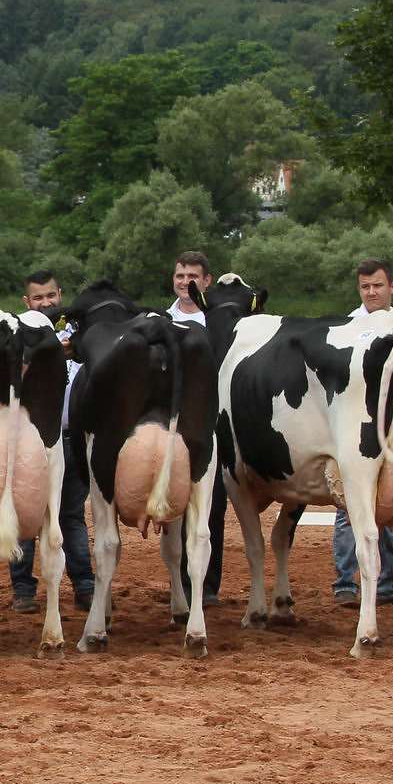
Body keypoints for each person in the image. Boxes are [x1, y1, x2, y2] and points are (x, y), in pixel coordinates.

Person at [332, 259, 393, 608]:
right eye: (365, 286)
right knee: (348, 507)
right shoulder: (348, 327)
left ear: (392, 287)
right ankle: (345, 583)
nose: (371, 292)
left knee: (387, 503)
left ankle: (389, 583)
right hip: (355, 427)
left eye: (378, 286)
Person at [9, 270, 94, 612]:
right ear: (26, 302)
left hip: (72, 438)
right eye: (38, 297)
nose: (46, 303)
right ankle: (23, 589)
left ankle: (84, 585)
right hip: (28, 441)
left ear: (61, 294)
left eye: (50, 296)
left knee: (71, 514)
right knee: (24, 513)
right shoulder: (15, 335)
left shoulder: (81, 334)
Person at [165, 249, 226, 606]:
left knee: (212, 506)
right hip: (174, 426)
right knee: (175, 504)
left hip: (213, 425)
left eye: (191, 277)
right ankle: (178, 583)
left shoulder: (217, 321)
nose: (184, 283)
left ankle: (207, 584)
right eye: (179, 276)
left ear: (207, 281)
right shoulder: (160, 319)